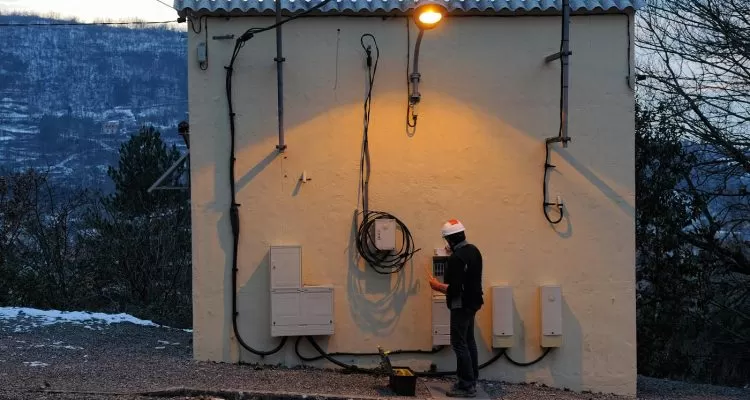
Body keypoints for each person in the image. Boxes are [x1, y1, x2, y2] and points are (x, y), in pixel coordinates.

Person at [429, 219, 484, 398]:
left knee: (459, 344)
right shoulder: (474, 251)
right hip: (474, 303)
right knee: (469, 341)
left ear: (450, 240)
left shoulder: (456, 259)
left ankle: (467, 386)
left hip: (460, 305)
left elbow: (455, 288)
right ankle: (471, 379)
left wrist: (437, 286)